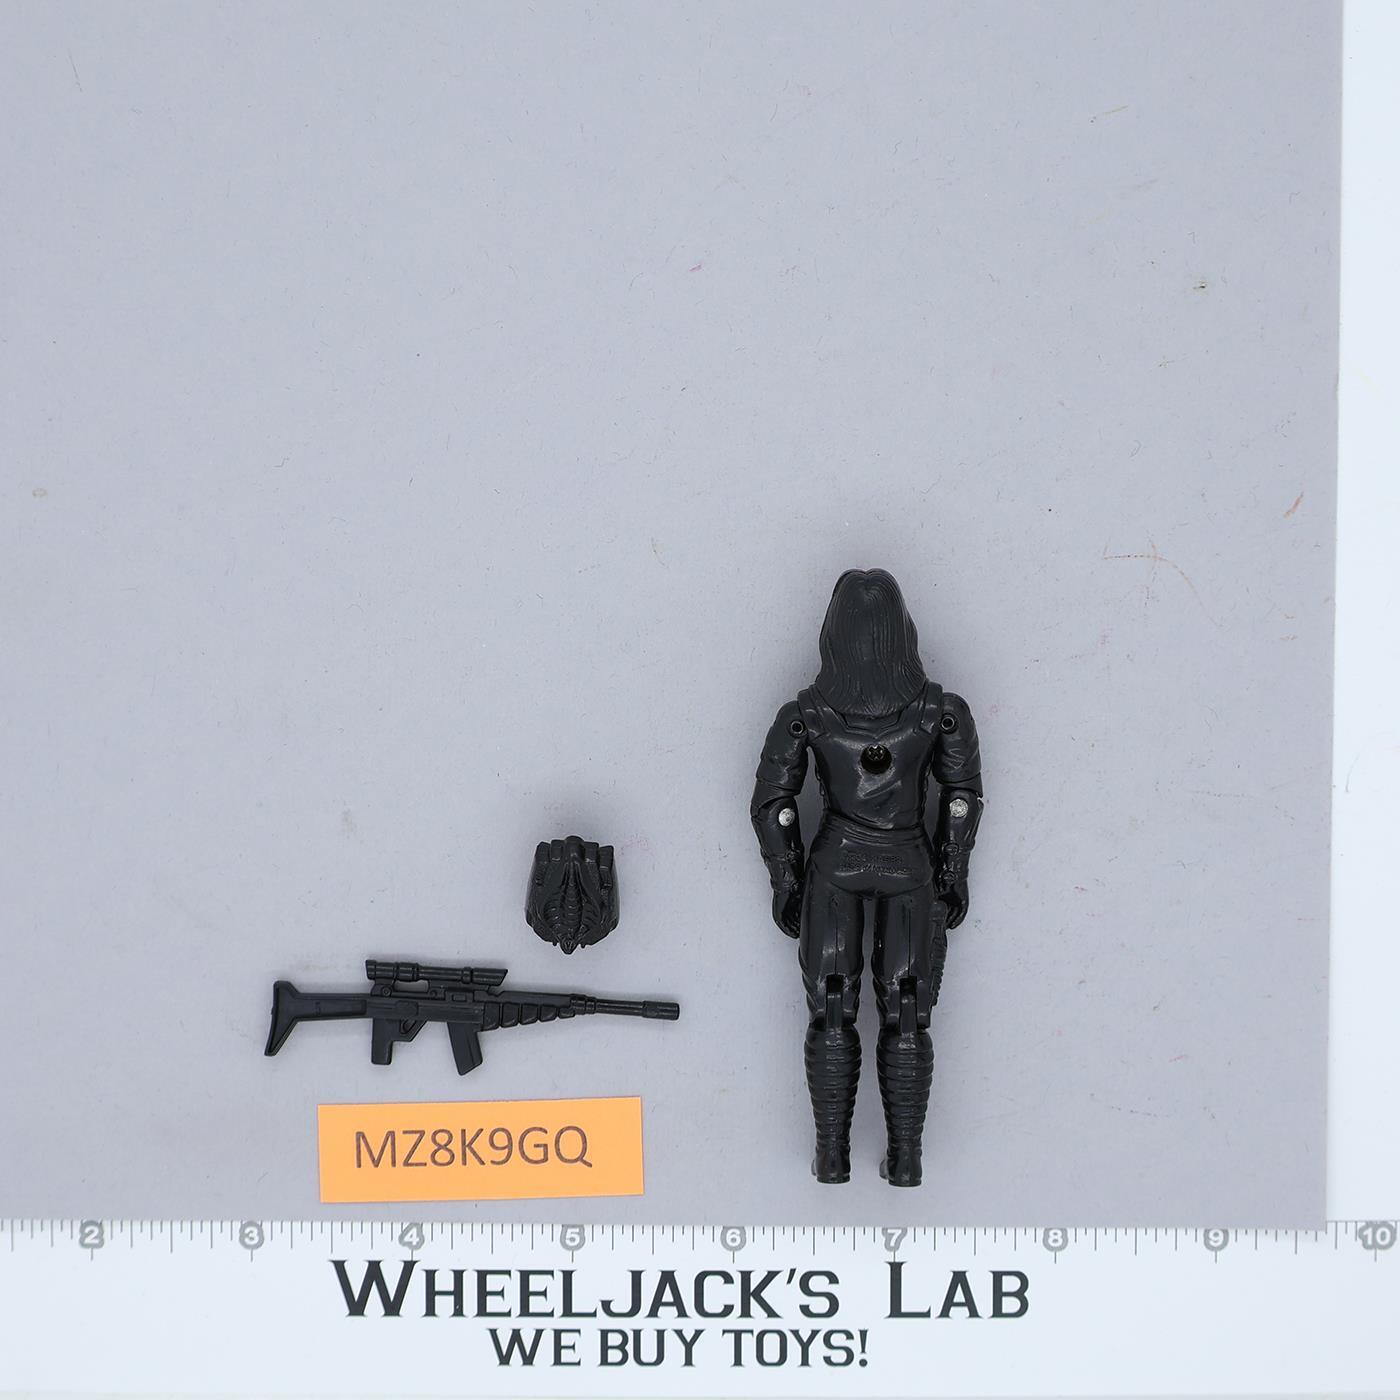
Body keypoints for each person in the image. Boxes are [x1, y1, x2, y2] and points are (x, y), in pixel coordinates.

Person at [750, 569, 983, 1186]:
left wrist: (787, 880)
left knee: (831, 1007)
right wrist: (954, 869)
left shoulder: (805, 716)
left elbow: (773, 804)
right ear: (904, 632)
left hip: (836, 862)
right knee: (908, 1009)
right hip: (909, 863)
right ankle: (906, 1158)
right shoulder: (941, 713)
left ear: (833, 635)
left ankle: (832, 1155)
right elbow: (962, 795)